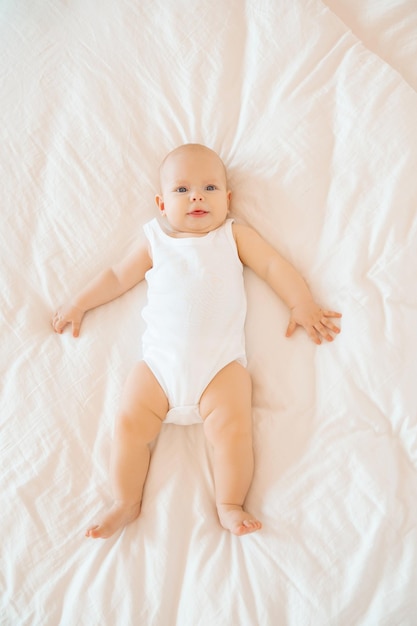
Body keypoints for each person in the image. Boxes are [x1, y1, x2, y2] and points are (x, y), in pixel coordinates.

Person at [52, 143, 342, 538]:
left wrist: (301, 302)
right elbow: (118, 276)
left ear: (228, 199)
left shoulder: (232, 235)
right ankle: (125, 500)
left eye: (209, 188)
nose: (196, 197)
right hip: (158, 369)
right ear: (161, 202)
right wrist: (78, 303)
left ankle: (230, 502)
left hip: (219, 369)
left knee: (234, 430)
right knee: (128, 424)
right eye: (182, 189)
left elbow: (274, 265)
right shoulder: (155, 240)